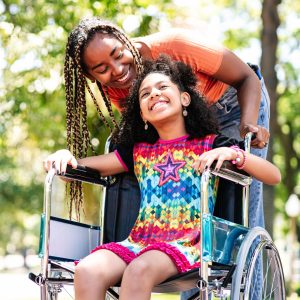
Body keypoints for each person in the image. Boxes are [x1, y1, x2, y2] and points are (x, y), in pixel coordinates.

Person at [44, 56, 280, 300]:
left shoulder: (212, 144)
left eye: (162, 87)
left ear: (185, 98)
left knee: (138, 270)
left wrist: (234, 154)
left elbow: (274, 175)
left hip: (190, 244)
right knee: (87, 269)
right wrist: (65, 157)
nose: (154, 95)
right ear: (142, 114)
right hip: (139, 242)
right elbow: (83, 167)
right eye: (145, 94)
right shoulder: (138, 152)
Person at [64, 16, 270, 230]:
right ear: (90, 76)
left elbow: (247, 78)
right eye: (102, 69)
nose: (116, 69)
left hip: (234, 104)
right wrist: (74, 163)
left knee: (239, 200)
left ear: (124, 40)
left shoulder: (176, 45)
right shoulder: (116, 86)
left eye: (118, 54)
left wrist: (247, 125)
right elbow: (149, 134)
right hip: (186, 121)